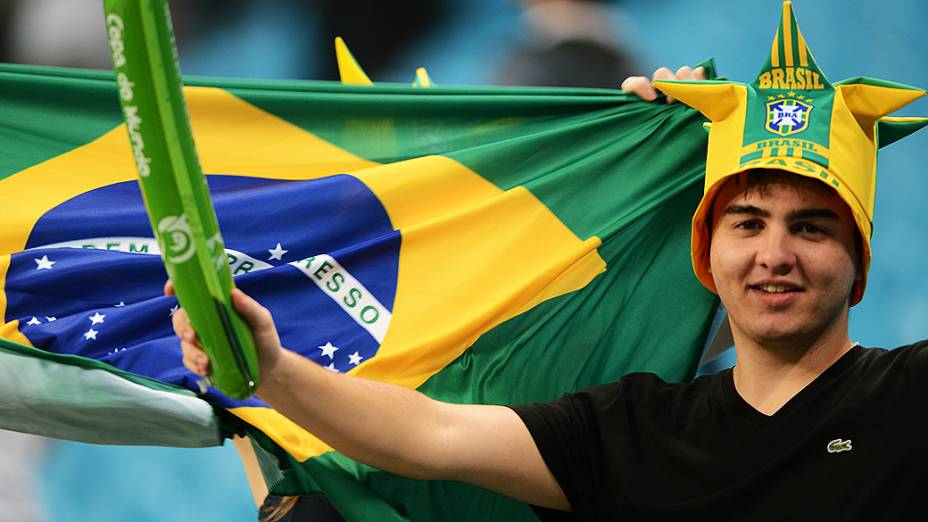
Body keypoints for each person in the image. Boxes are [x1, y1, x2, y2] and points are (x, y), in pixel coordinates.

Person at [170, 2, 927, 519]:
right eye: (747, 222)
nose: (774, 255)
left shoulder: (909, 396)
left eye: (813, 229)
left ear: (859, 259)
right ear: (703, 251)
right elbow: (431, 434)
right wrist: (272, 367)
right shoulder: (636, 431)